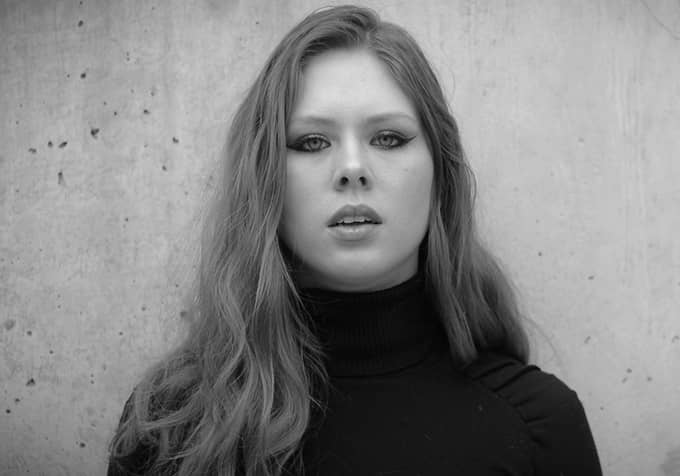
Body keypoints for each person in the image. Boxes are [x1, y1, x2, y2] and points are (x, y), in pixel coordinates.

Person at [107, 5, 602, 475]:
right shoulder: (171, 425)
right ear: (263, 179)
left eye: (388, 138)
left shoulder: (539, 425)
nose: (352, 168)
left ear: (440, 174)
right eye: (311, 142)